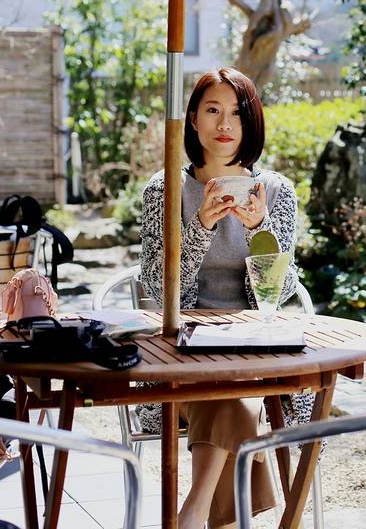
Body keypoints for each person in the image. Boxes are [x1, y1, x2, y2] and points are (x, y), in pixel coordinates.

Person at [140, 67, 300, 529]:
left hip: (257, 346)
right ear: (193, 119)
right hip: (181, 350)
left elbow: (278, 294)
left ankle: (193, 511)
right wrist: (201, 228)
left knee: (234, 386)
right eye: (213, 110)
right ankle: (205, 514)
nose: (225, 124)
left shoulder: (276, 191)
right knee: (231, 394)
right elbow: (160, 290)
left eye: (237, 113)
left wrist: (259, 231)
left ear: (252, 123)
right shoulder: (165, 189)